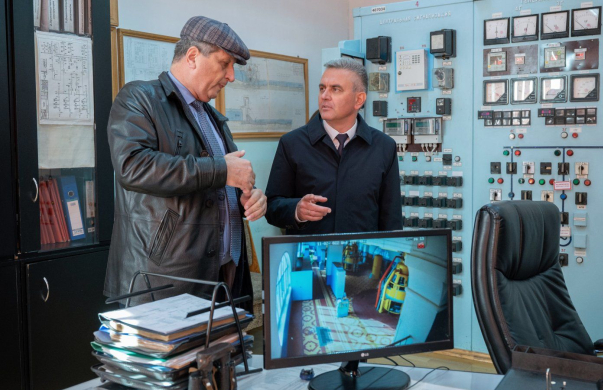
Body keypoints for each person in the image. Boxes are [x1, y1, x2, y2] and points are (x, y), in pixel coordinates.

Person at [105, 16, 266, 308]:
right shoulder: (139, 98)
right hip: (166, 280)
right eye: (225, 64)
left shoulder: (212, 117)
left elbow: (222, 183)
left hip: (226, 274)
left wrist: (250, 198)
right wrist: (222, 170)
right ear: (192, 56)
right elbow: (133, 167)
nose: (231, 76)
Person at [265, 58, 402, 235]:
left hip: (362, 251)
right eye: (322, 88)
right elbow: (271, 206)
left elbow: (392, 219)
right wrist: (296, 210)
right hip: (309, 251)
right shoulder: (292, 143)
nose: (325, 96)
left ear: (359, 99)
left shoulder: (384, 147)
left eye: (335, 89)